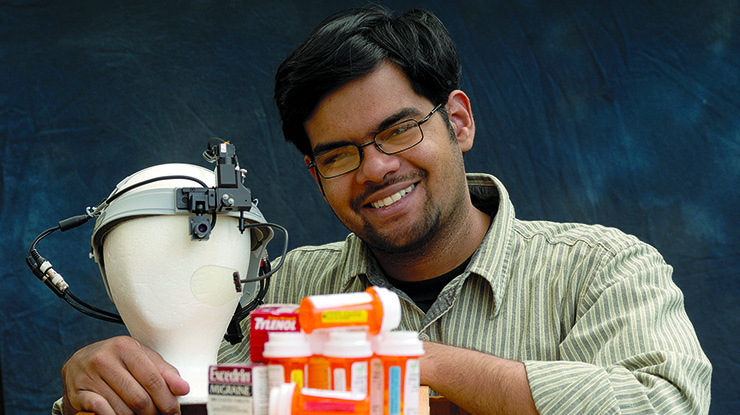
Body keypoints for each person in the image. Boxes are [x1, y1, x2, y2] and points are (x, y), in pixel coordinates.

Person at [55, 6, 711, 415]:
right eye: (338, 154)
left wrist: (409, 361)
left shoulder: (601, 269)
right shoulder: (276, 289)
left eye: (399, 131)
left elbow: (667, 404)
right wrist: (93, 386)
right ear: (314, 174)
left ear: (458, 121)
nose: (375, 168)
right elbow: (183, 393)